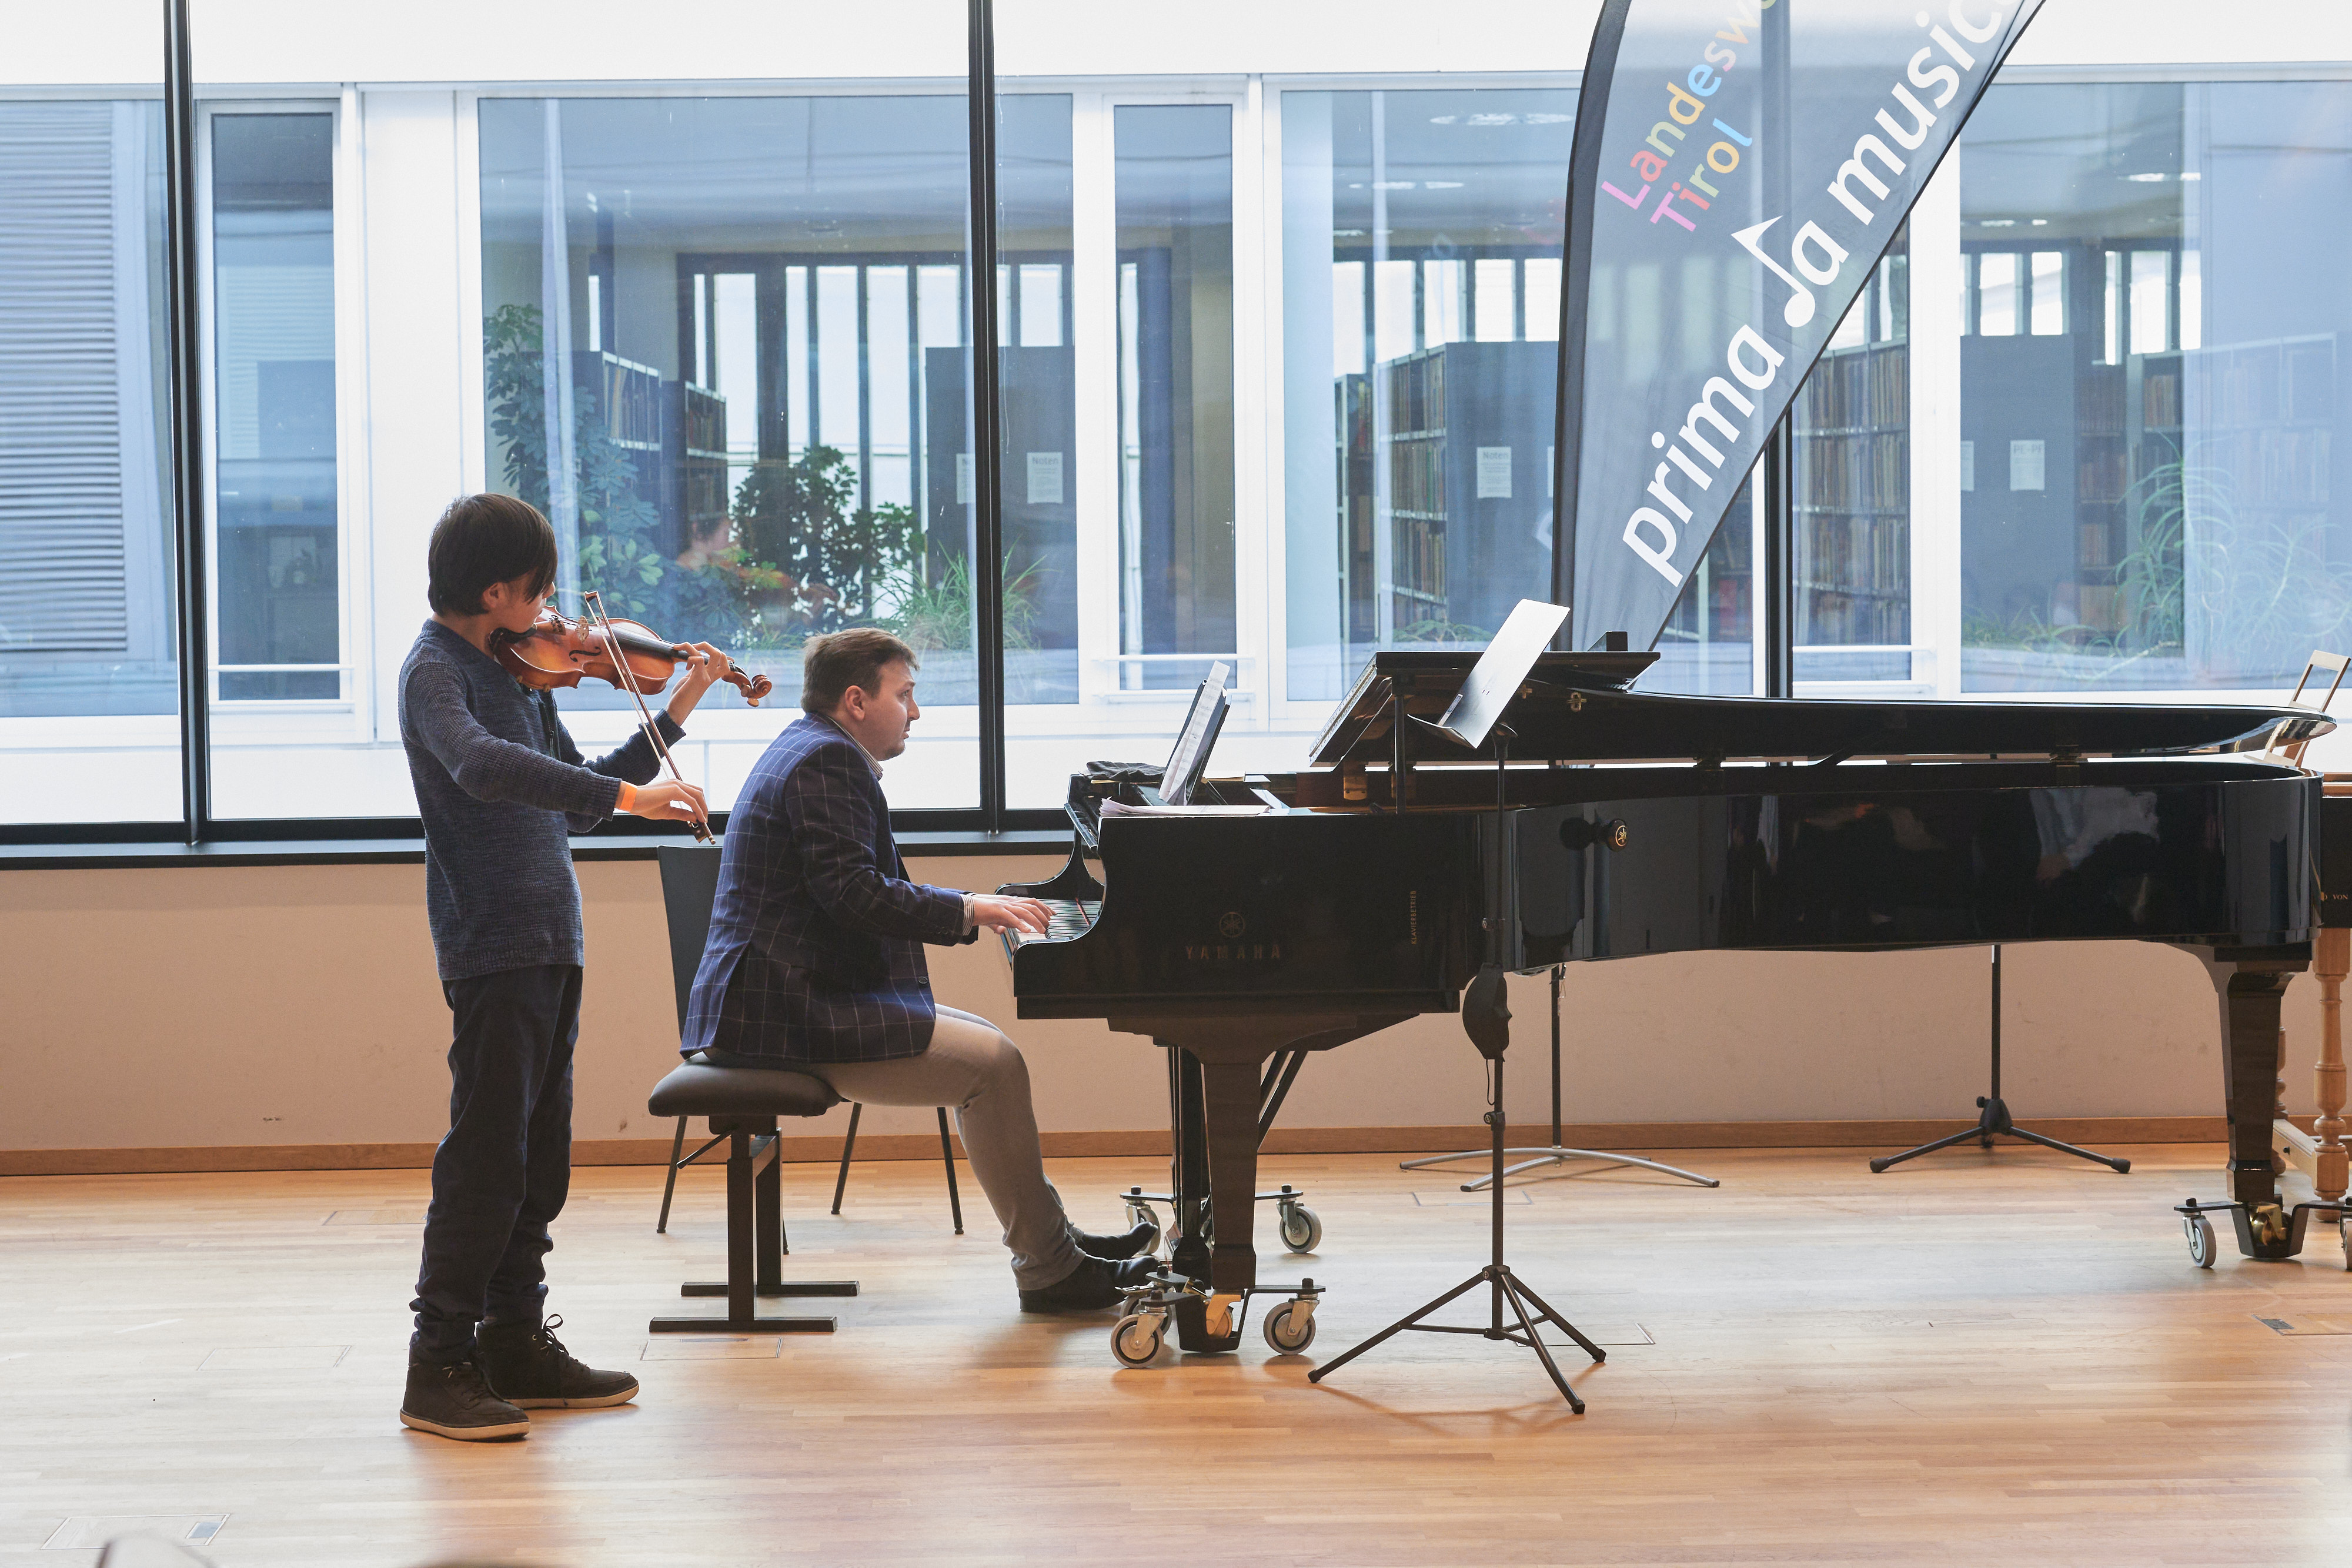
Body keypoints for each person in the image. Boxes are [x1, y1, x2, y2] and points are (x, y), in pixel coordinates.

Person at [679, 627, 1157, 1311]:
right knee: (992, 1068)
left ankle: (1053, 1243)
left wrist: (968, 908)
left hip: (785, 995)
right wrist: (969, 909)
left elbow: (847, 890)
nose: (917, 711)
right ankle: (1050, 1270)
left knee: (994, 1052)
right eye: (904, 695)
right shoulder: (824, 762)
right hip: (780, 1012)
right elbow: (853, 893)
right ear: (856, 701)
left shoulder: (810, 746)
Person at [395, 493, 727, 1442]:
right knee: (486, 1156)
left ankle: (511, 1339)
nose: (552, 613)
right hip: (492, 941)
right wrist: (631, 794)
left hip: (550, 936)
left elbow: (579, 802)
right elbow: (482, 766)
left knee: (538, 1160)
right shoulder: (435, 672)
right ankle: (436, 1363)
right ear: (494, 591)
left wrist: (678, 708)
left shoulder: (520, 671)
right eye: (538, 591)